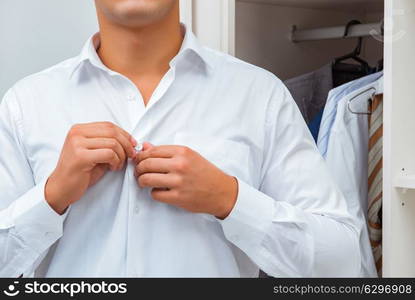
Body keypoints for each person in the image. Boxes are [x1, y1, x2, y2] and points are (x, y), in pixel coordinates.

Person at [0, 0, 360, 277]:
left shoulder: (260, 95)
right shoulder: (25, 104)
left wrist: (229, 200)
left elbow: (342, 262)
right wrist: (52, 196)